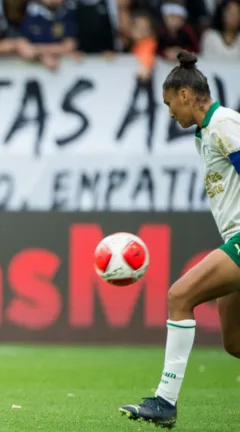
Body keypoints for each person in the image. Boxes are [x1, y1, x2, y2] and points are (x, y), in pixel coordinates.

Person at [119, 50, 240, 429]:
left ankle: (165, 402)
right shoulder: (206, 134)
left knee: (178, 296)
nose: (169, 112)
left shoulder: (223, 123)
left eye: (170, 103)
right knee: (235, 341)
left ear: (185, 95)